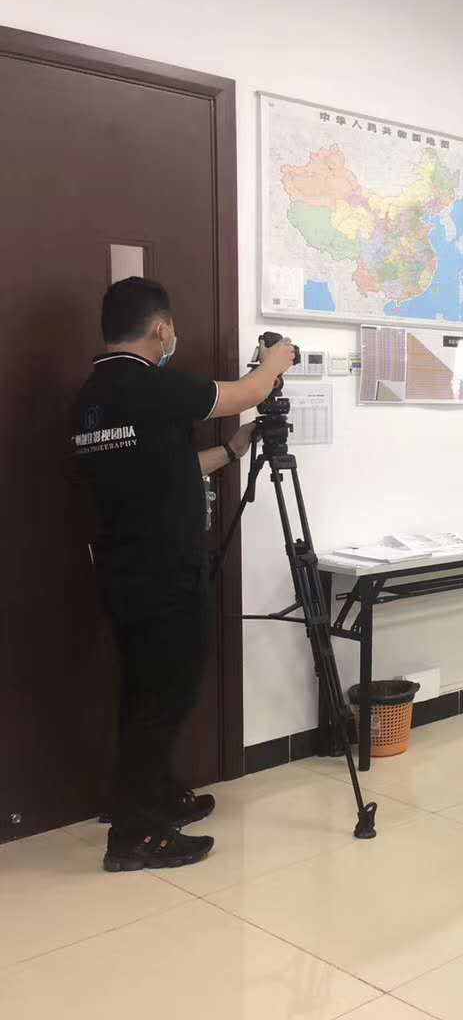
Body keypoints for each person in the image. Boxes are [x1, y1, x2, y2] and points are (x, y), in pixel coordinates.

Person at [72, 277, 295, 872]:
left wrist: (234, 450)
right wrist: (275, 360)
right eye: (172, 329)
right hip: (165, 571)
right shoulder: (152, 385)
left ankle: (153, 797)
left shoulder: (92, 396)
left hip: (122, 571)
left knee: (144, 691)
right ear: (161, 328)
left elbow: (166, 468)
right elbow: (247, 391)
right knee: (166, 697)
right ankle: (135, 836)